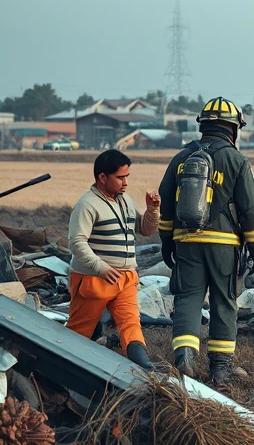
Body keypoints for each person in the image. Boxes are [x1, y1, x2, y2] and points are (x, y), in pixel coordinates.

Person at [158, 96, 254, 384]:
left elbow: (166, 204)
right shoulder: (237, 160)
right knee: (224, 302)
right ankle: (220, 370)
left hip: (186, 241)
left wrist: (167, 241)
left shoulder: (181, 158)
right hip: (224, 246)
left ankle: (185, 358)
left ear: (202, 126)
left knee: (188, 298)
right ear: (233, 129)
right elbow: (250, 208)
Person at [66, 149, 160, 369]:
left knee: (131, 325)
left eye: (127, 176)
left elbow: (144, 229)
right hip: (93, 280)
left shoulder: (125, 200)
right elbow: (77, 242)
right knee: (79, 332)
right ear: (102, 177)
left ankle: (145, 369)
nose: (126, 182)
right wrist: (101, 268)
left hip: (125, 278)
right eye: (120, 177)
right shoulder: (86, 205)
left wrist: (152, 210)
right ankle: (60, 375)